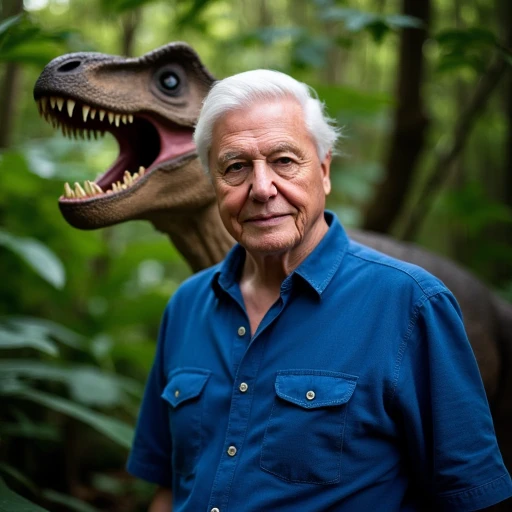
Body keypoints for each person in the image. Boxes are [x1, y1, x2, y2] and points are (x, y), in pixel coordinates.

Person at [126, 70, 512, 511]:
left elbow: (472, 496)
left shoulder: (410, 304)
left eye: (285, 161)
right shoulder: (187, 305)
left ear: (324, 170)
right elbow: (169, 488)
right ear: (213, 182)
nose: (262, 188)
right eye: (235, 167)